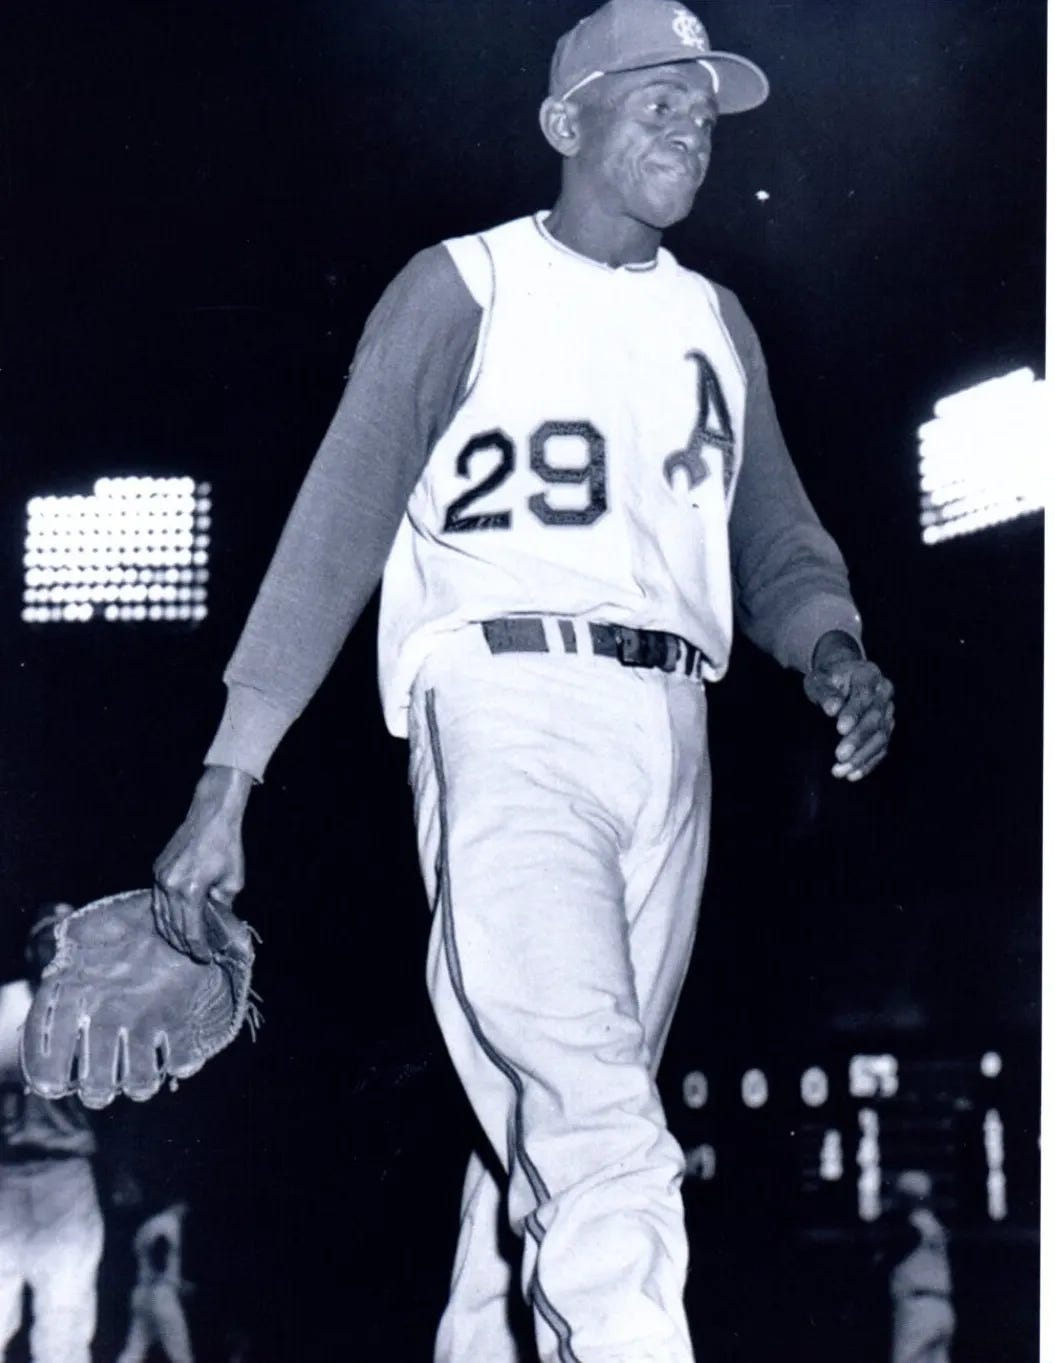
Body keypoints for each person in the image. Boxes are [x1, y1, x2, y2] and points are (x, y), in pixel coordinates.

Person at [152, 2, 895, 1359]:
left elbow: (773, 531)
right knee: (599, 1118)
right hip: (504, 710)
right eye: (655, 99)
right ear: (566, 123)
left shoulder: (712, 321)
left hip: (674, 737)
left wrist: (830, 643)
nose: (692, 126)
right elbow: (334, 531)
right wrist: (227, 782)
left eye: (704, 107)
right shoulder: (463, 282)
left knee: (532, 1152)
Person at [0, 903, 104, 1363]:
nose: (58, 949)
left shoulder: (97, 1014)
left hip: (66, 1180)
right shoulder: (5, 1006)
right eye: (49, 939)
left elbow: (127, 1110)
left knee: (65, 1316)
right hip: (4, 1176)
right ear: (30, 948)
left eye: (69, 940)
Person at [884, 1172, 955, 1363]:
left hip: (918, 1307)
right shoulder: (936, 1225)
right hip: (942, 1307)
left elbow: (886, 1260)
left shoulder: (911, 1227)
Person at [115, 1201, 195, 1363]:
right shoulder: (169, 1222)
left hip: (142, 1292)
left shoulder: (147, 1226)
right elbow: (160, 1247)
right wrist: (168, 1279)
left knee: (134, 1350)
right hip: (161, 1294)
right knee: (181, 1354)